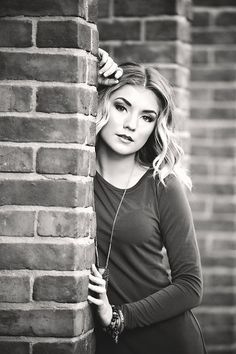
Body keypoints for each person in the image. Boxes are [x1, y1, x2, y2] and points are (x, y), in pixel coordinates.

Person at [87, 48, 207, 354]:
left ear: (155, 126)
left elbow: (190, 286)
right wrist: (92, 82)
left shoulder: (163, 185)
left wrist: (118, 316)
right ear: (103, 105)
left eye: (147, 117)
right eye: (121, 107)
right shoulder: (73, 178)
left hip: (168, 340)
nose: (131, 125)